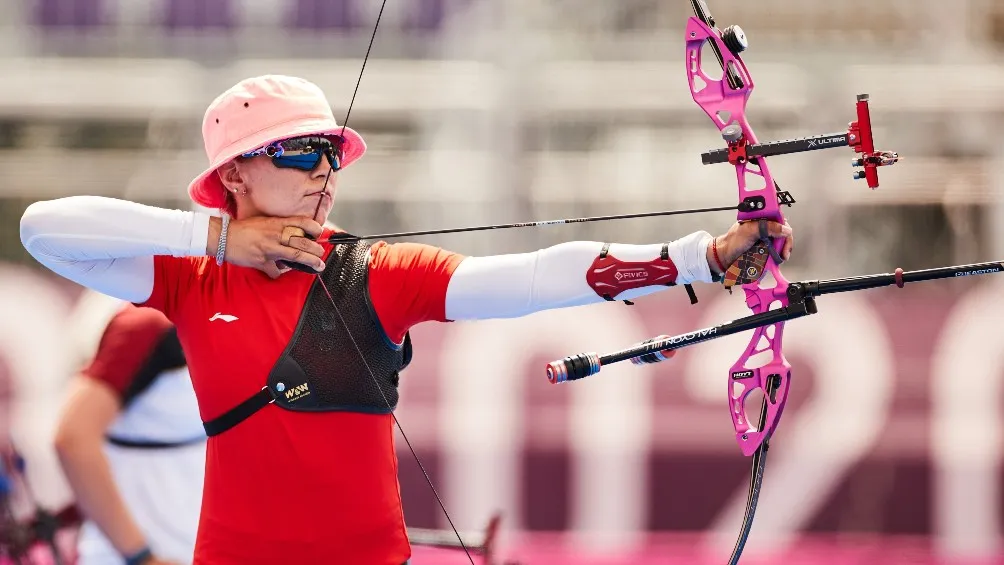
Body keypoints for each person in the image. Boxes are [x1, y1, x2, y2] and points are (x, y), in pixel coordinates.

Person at [19, 74, 794, 565]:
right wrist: (218, 236)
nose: (324, 170)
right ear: (235, 174)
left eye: (330, 151)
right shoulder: (190, 277)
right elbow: (43, 227)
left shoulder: (373, 274)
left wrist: (700, 256)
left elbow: (530, 277)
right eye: (297, 151)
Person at [55, 297, 204, 565]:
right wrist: (141, 556)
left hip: (190, 542)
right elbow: (73, 438)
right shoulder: (147, 322)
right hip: (151, 549)